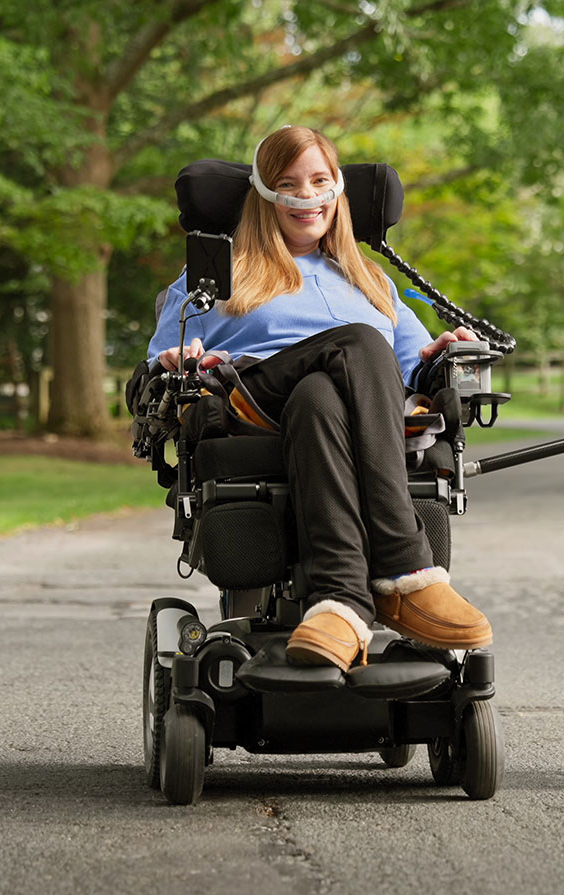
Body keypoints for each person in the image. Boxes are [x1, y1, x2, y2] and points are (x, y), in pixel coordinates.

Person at [147, 125, 489, 672]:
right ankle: (405, 568)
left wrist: (442, 353)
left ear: (338, 190)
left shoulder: (372, 279)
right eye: (289, 183)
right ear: (263, 194)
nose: (307, 197)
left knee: (319, 393)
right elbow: (156, 365)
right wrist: (174, 359)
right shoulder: (218, 272)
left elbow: (412, 369)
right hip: (250, 405)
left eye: (319, 181)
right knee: (356, 343)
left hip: (335, 413)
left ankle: (342, 602)